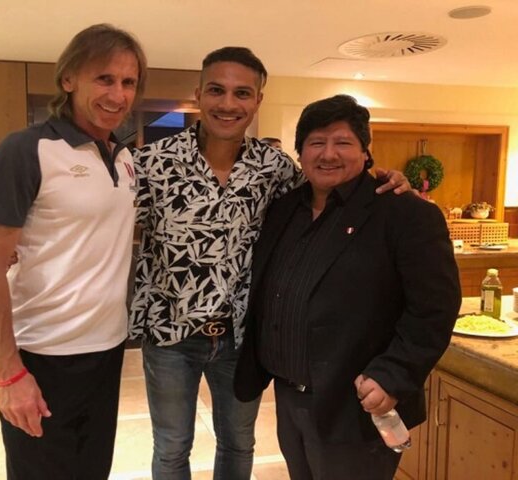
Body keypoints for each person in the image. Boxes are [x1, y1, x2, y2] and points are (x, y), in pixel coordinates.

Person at [130, 48, 413, 480]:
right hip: (171, 336)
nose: (228, 103)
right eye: (217, 90)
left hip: (243, 338)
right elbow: (103, 223)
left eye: (242, 93)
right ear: (199, 95)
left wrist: (383, 176)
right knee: (171, 448)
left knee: (238, 442)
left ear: (258, 100)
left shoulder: (275, 168)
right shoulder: (151, 163)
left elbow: (330, 187)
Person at [234, 94, 461, 480]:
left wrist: (393, 374)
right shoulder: (284, 209)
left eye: (343, 142)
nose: (328, 154)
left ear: (365, 151)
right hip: (289, 396)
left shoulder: (405, 213)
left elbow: (434, 309)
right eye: (316, 142)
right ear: (300, 152)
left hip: (357, 402)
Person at [0, 24, 147, 480]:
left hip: (107, 349)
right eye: (104, 78)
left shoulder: (124, 158)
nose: (118, 94)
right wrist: (9, 374)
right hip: (42, 354)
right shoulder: (25, 150)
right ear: (68, 78)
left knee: (93, 471)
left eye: (128, 82)